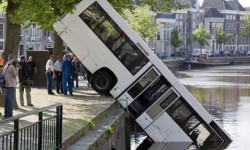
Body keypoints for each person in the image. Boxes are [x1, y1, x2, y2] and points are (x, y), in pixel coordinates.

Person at [3, 54, 18, 118]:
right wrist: (17, 68)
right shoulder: (11, 66)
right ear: (12, 59)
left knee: (7, 100)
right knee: (10, 100)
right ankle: (9, 115)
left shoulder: (6, 65)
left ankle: (6, 114)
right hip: (11, 84)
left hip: (6, 84)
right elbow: (15, 75)